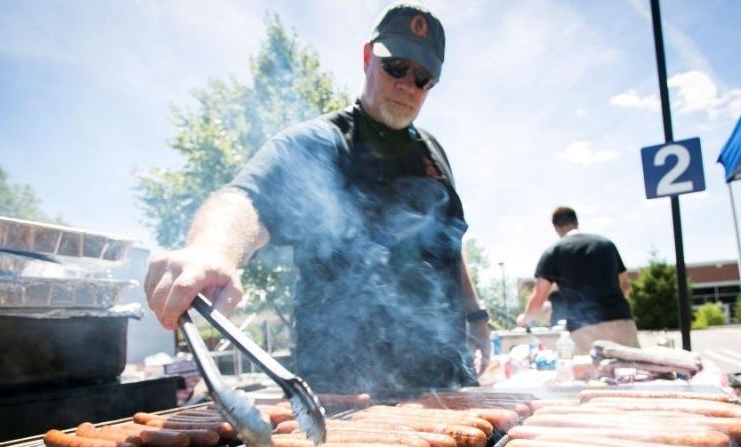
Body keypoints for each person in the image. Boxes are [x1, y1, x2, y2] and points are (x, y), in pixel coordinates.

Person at [145, 2, 490, 396]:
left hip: (444, 380)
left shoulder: (434, 152)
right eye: (396, 67)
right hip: (348, 388)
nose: (407, 85)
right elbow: (247, 200)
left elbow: (448, 243)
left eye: (423, 77)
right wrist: (212, 251)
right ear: (367, 58)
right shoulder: (319, 142)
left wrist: (476, 315)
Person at [516, 206, 639, 352]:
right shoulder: (606, 245)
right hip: (621, 321)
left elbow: (538, 299)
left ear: (556, 227)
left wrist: (525, 320)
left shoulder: (554, 251)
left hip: (585, 330)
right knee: (634, 372)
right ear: (576, 222)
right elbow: (624, 285)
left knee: (594, 374)